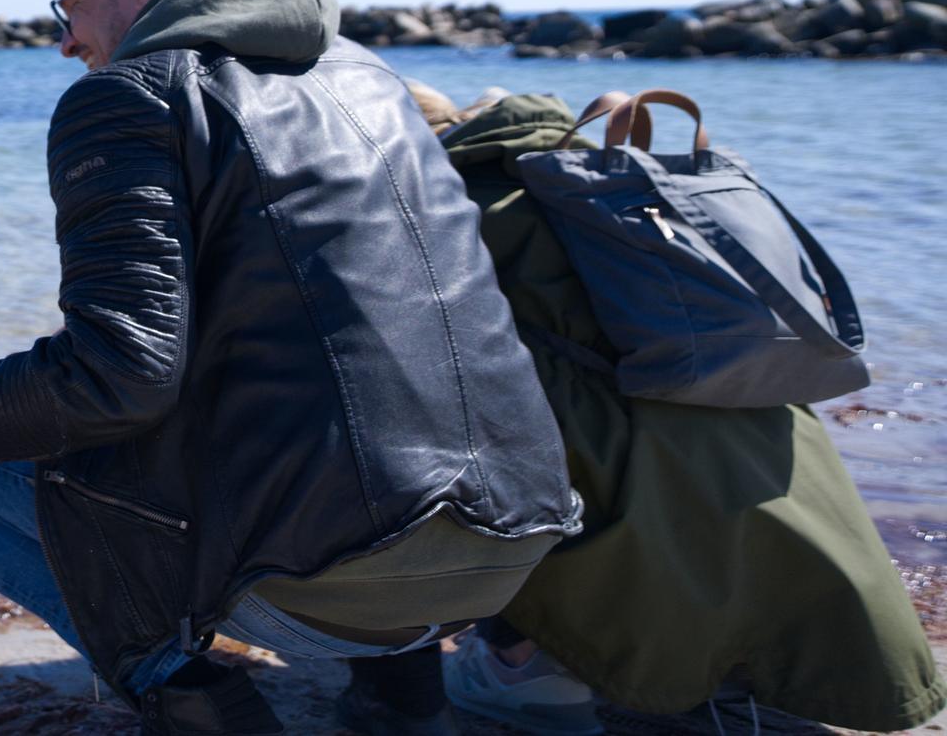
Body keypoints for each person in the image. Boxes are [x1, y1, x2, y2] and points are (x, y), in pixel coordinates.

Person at [0, 0, 583, 736]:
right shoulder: (367, 77)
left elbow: (121, 377)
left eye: (65, 4)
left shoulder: (126, 98)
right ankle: (401, 703)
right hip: (515, 545)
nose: (64, 41)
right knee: (352, 386)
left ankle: (197, 707)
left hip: (352, 578)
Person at [406, 81, 947, 735]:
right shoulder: (605, 182)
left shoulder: (443, 204)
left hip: (612, 471)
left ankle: (529, 669)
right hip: (781, 455)